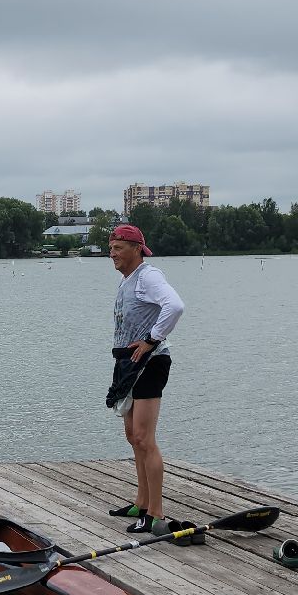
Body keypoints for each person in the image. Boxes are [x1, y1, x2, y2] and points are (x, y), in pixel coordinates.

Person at [104, 223, 183, 534]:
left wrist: (152, 338)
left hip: (151, 362)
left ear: (137, 249)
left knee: (144, 438)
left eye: (119, 248)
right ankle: (141, 502)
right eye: (111, 248)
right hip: (128, 363)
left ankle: (156, 513)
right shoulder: (127, 281)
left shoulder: (148, 276)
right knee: (132, 435)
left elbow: (175, 306)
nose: (112, 253)